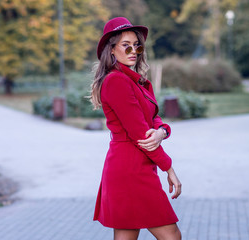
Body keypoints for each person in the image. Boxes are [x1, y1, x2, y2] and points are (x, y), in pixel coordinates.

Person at [91, 17, 182, 240]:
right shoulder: (117, 81)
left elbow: (153, 120)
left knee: (127, 236)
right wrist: (169, 168)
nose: (134, 50)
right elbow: (141, 136)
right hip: (131, 170)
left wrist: (162, 132)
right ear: (111, 50)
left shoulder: (134, 81)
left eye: (137, 45)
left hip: (133, 166)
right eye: (126, 45)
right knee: (172, 236)